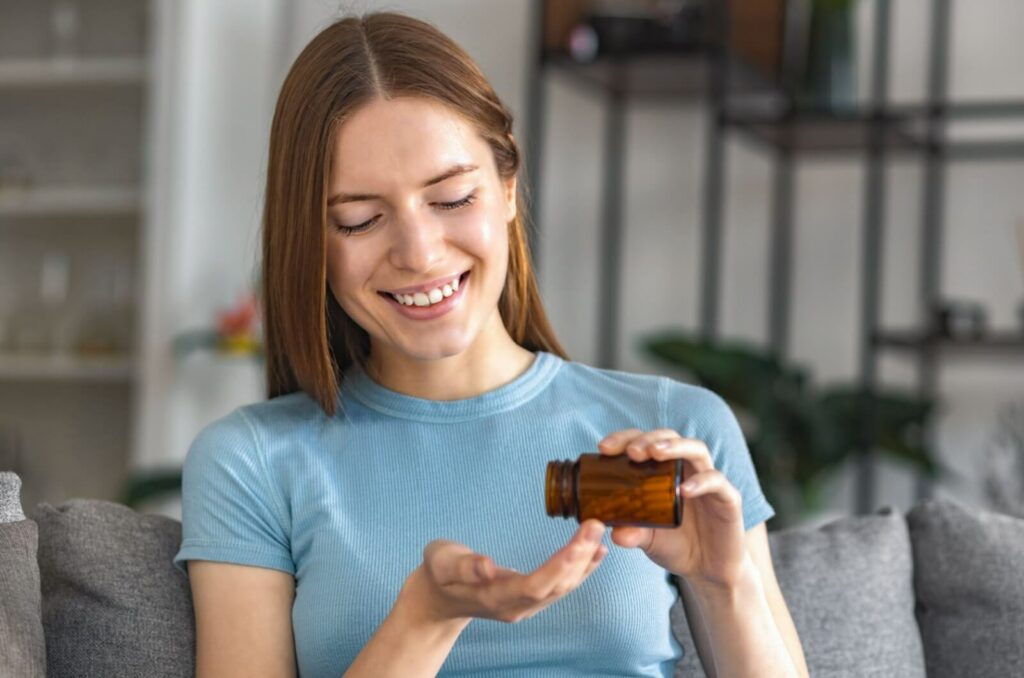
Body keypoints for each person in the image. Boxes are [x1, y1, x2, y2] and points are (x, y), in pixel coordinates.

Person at [172, 10, 809, 678]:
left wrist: (722, 584)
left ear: (507, 186)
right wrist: (424, 619)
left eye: (449, 199)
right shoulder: (251, 462)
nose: (419, 253)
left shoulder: (679, 429)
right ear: (311, 239)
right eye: (360, 220)